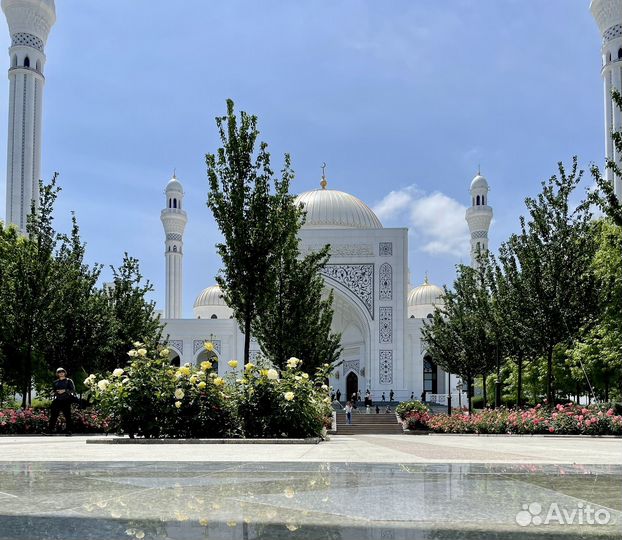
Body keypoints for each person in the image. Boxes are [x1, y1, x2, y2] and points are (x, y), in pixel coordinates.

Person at [48, 367, 76, 434]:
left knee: (67, 415)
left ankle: (69, 431)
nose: (61, 373)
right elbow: (53, 391)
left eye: (62, 371)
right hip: (58, 400)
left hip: (66, 400)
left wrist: (64, 390)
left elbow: (73, 390)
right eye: (59, 372)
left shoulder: (69, 381)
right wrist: (54, 392)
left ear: (65, 372)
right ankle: (50, 430)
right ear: (57, 374)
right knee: (53, 415)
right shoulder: (55, 382)